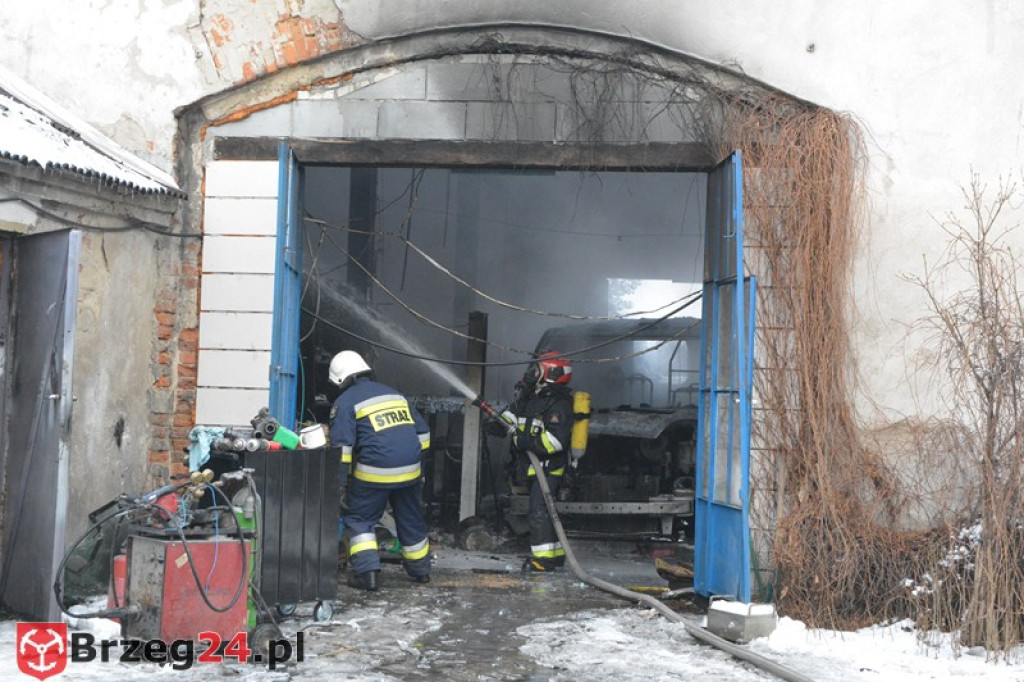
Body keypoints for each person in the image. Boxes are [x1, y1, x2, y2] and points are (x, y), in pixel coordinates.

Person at [327, 350, 432, 591]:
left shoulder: (345, 402)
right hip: (410, 471)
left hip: (374, 473)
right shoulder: (394, 394)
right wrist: (417, 464)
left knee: (359, 518)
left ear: (341, 379)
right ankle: (421, 571)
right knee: (410, 518)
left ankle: (367, 574)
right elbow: (424, 433)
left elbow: (342, 449)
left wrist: (340, 485)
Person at [495, 351, 574, 572]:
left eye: (536, 369)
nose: (530, 374)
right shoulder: (529, 399)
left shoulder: (560, 405)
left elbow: (555, 442)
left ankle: (543, 560)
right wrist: (494, 422)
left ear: (550, 373)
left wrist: (525, 441)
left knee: (539, 510)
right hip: (532, 467)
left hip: (549, 468)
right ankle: (555, 555)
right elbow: (510, 418)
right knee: (544, 510)